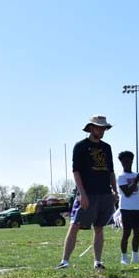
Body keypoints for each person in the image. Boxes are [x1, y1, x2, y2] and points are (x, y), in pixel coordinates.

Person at [57, 116, 118, 270]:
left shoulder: (107, 148)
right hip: (87, 193)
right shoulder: (80, 146)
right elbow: (76, 172)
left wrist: (115, 191)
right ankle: (65, 261)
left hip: (104, 193)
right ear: (91, 128)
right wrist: (82, 194)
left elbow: (111, 171)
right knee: (75, 225)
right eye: (98, 127)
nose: (101, 130)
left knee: (99, 227)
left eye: (104, 128)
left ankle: (98, 261)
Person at [116, 150, 139, 264]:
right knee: (127, 232)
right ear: (121, 162)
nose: (127, 163)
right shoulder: (121, 177)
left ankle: (135, 257)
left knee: (138, 232)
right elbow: (127, 192)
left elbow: (138, 192)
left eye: (129, 161)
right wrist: (136, 181)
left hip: (137, 208)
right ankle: (124, 257)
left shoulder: (135, 175)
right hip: (125, 208)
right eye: (125, 161)